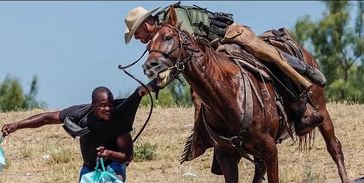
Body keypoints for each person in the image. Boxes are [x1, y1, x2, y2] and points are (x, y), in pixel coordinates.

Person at [124, 3, 326, 136]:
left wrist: (155, 82)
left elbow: (188, 49)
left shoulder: (173, 17)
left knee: (268, 58)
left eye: (137, 33)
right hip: (212, 54)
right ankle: (214, 137)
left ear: (146, 24)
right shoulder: (160, 38)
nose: (138, 39)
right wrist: (153, 81)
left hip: (228, 37)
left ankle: (302, 100)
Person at [1, 86, 148, 183]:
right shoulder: (79, 114)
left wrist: (109, 153)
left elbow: (128, 156)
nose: (108, 109)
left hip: (113, 162)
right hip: (90, 166)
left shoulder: (118, 119)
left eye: (110, 105)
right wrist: (16, 125)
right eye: (103, 105)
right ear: (93, 105)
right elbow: (46, 118)